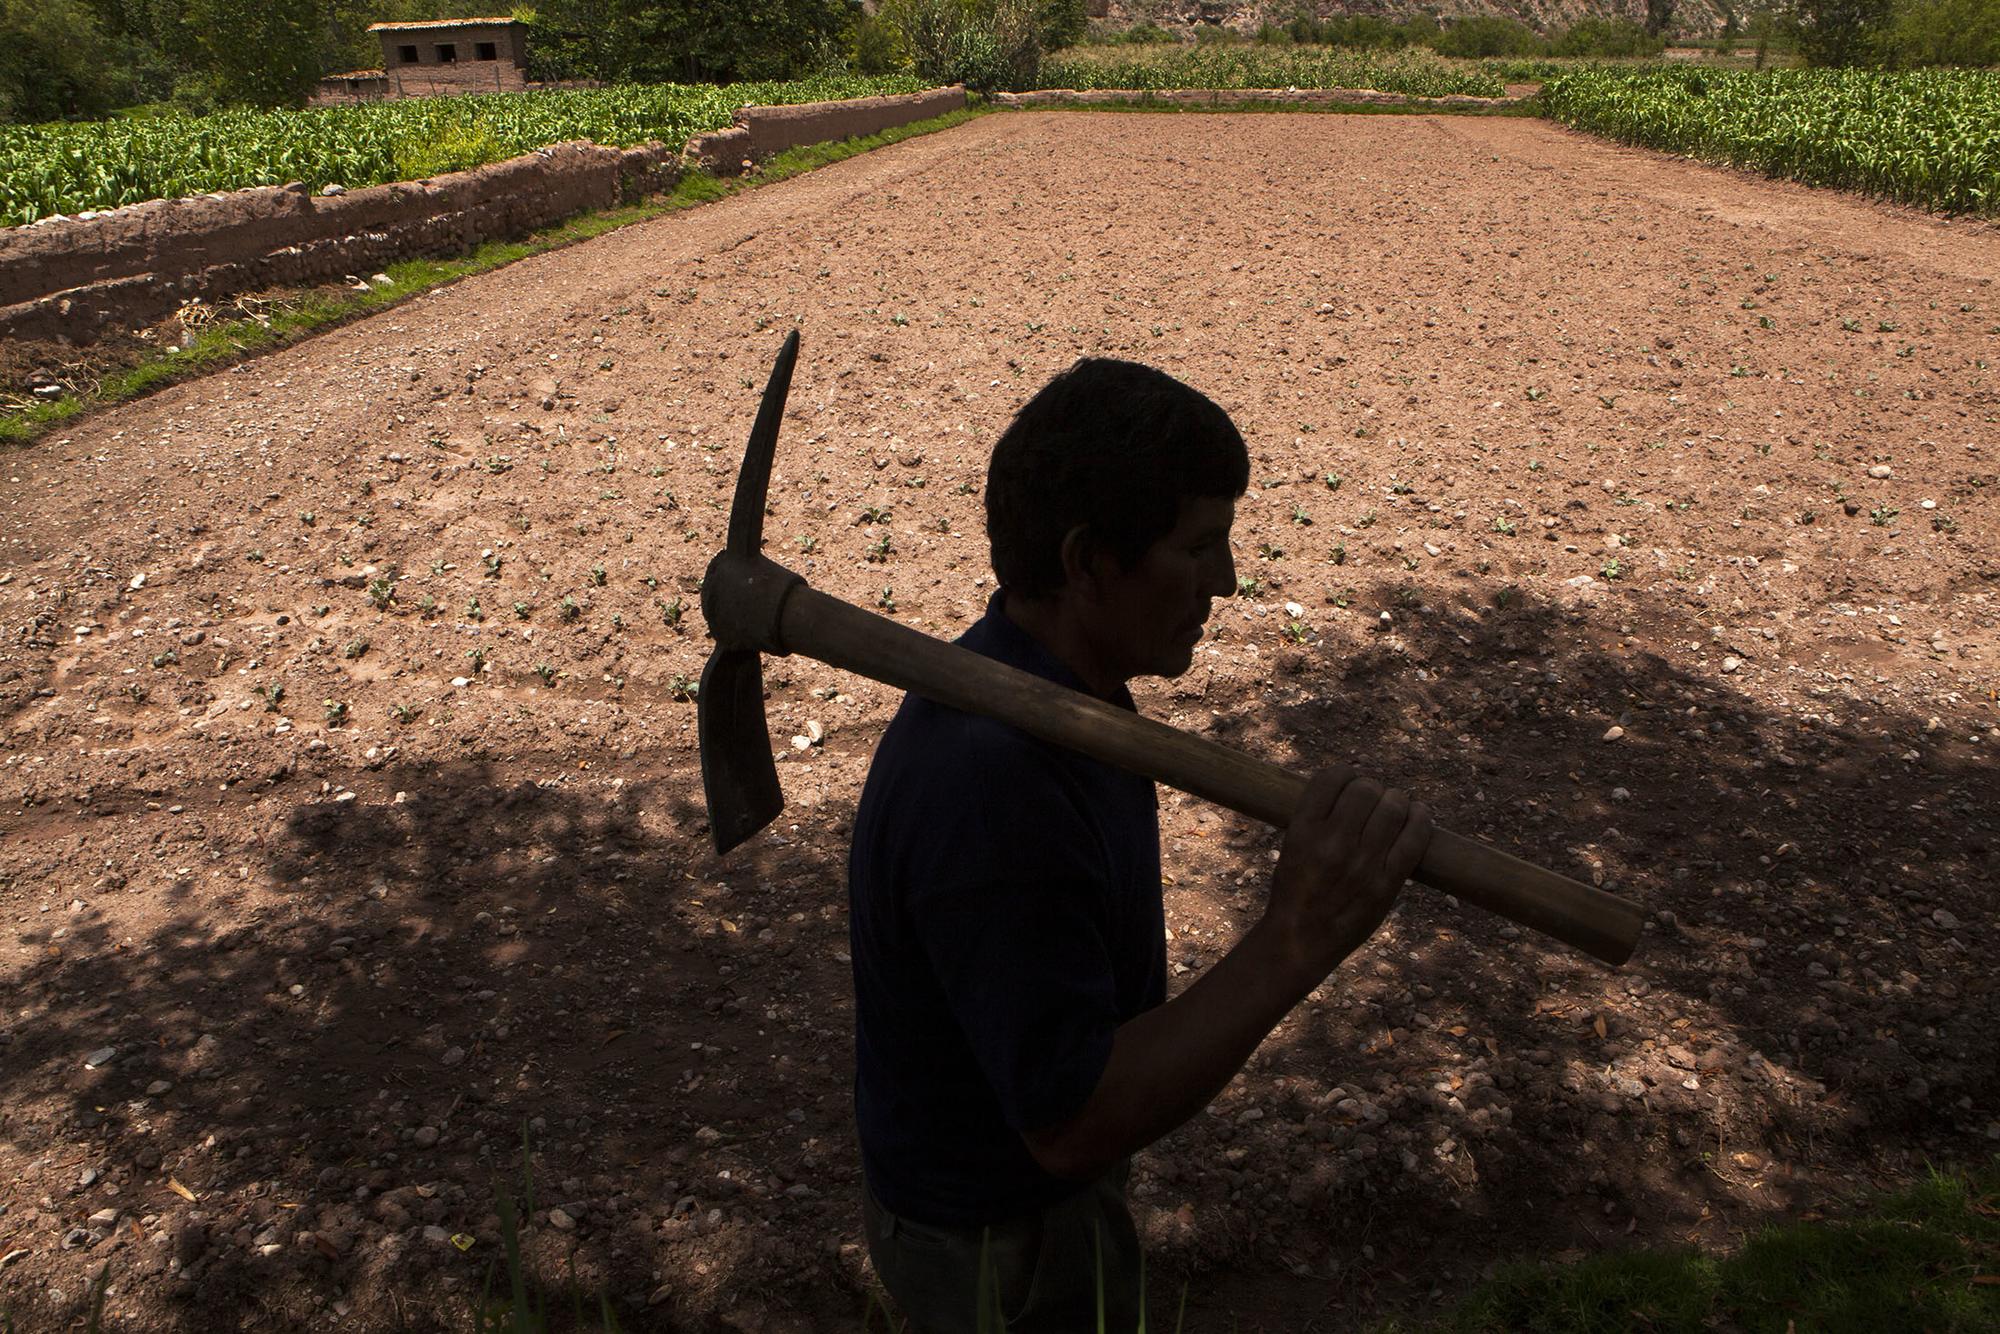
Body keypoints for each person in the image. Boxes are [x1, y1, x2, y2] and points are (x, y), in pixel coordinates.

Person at [847, 358, 1432, 1333]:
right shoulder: (993, 785)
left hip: (1022, 1219)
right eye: (1198, 547)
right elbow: (1071, 1120)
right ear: (1085, 562)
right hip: (997, 1255)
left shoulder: (1056, 696)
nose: (1228, 582)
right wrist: (1296, 934)